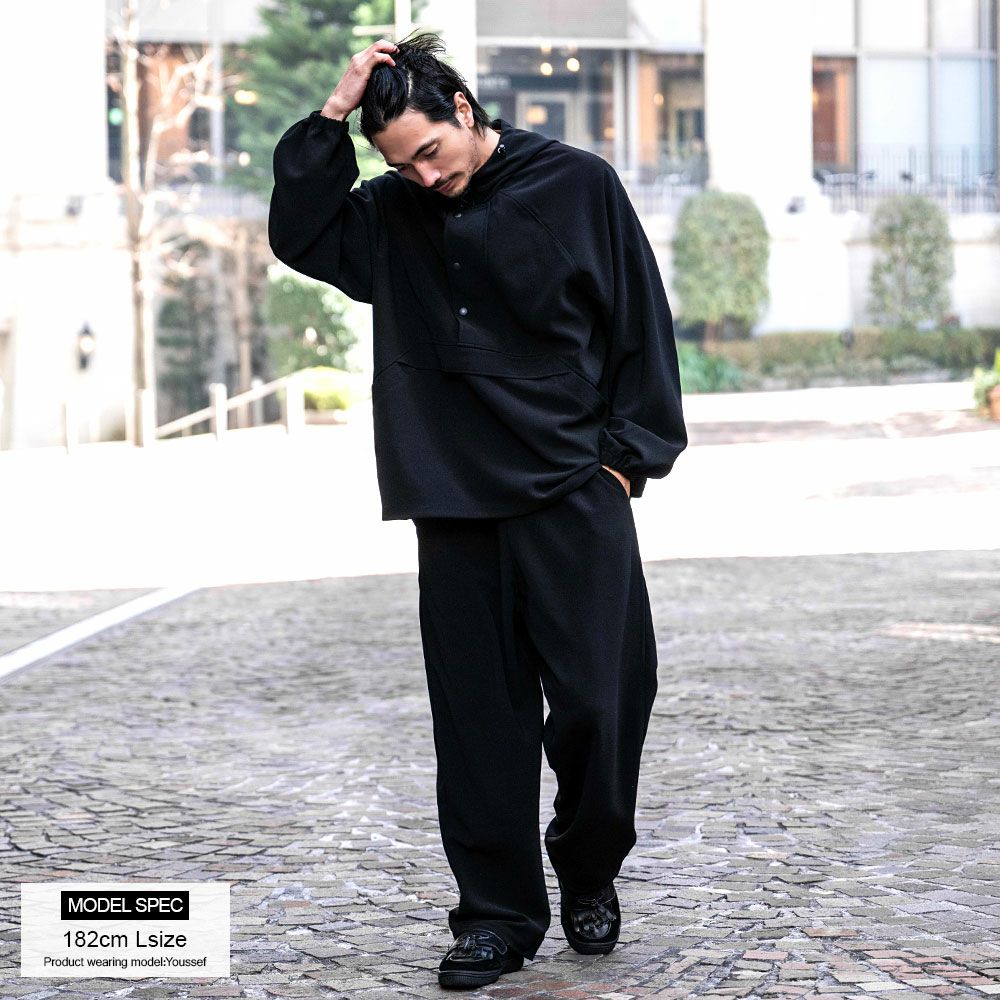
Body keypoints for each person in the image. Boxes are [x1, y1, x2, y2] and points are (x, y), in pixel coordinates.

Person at [268, 31, 687, 991]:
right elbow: (300, 233)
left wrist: (626, 463)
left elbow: (639, 323)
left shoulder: (577, 185)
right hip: (454, 502)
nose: (422, 176)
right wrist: (332, 117)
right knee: (477, 724)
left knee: (604, 703)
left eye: (429, 151)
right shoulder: (392, 214)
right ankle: (496, 918)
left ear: (464, 109)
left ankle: (589, 864)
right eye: (399, 165)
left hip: (573, 491)